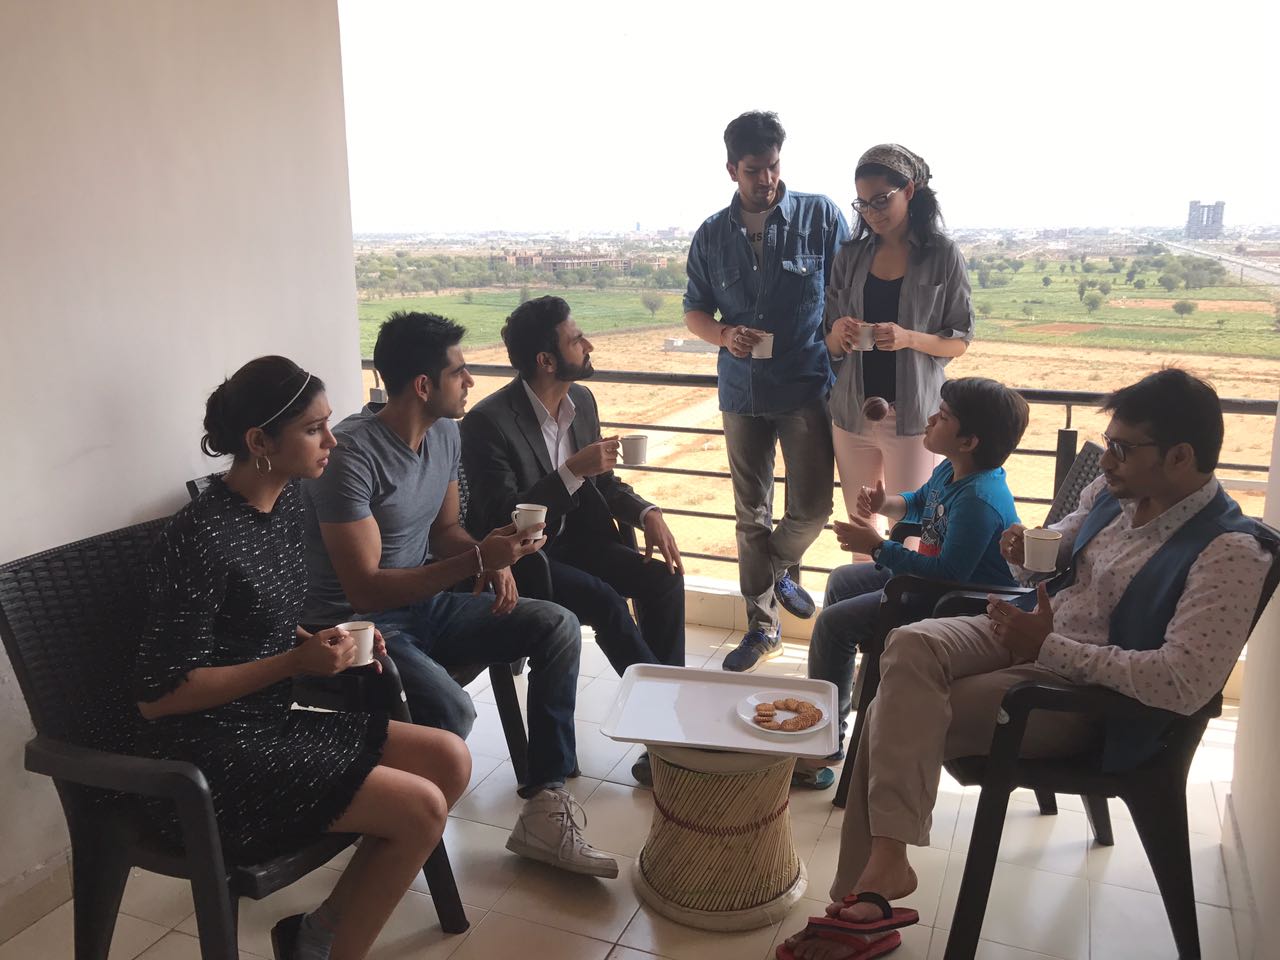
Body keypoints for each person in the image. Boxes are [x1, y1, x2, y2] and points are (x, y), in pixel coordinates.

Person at [779, 369, 1275, 959]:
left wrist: (1047, 647)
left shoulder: (1230, 551)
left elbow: (1181, 683)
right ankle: (885, 870)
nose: (1106, 461)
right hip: (1032, 632)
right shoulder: (1115, 497)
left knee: (894, 707)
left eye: (1121, 448)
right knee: (908, 646)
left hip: (1080, 694)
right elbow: (1059, 545)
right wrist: (1027, 551)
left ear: (1180, 456)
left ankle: (864, 902)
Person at [135, 356, 473, 960]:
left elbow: (253, 621)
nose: (332, 440)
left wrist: (323, 639)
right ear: (260, 441)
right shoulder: (199, 538)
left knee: (448, 757)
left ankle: (316, 936)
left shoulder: (289, 504)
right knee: (421, 807)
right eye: (314, 429)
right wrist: (293, 665)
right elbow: (161, 697)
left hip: (268, 721)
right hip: (209, 752)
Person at [302, 312, 618, 878]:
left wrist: (491, 555)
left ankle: (545, 807)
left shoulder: (443, 433)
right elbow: (365, 587)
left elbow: (446, 531)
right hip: (357, 627)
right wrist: (475, 561)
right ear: (423, 385)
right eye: (459, 371)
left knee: (557, 624)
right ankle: (386, 817)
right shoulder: (352, 455)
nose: (471, 380)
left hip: (424, 603)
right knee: (452, 708)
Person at [460, 296, 685, 785]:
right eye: (575, 338)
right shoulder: (488, 423)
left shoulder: (581, 402)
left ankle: (667, 726)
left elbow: (601, 482)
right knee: (605, 601)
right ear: (546, 360)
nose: (588, 345)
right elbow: (503, 517)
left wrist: (647, 511)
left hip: (583, 542)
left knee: (664, 580)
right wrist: (570, 472)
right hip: (530, 558)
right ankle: (670, 732)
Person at [794, 378, 1028, 790]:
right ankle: (836, 709)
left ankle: (822, 747)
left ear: (969, 440)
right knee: (843, 580)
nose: (931, 418)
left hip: (954, 605)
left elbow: (950, 573)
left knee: (833, 624)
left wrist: (879, 547)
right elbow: (920, 502)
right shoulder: (952, 470)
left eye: (944, 416)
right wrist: (886, 504)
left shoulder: (978, 500)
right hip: (930, 584)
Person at [683, 109, 850, 672]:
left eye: (774, 166)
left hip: (805, 386)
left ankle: (775, 573)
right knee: (749, 514)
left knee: (813, 506)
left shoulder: (821, 217)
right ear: (732, 169)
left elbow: (849, 287)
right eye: (755, 169)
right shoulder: (710, 234)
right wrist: (724, 333)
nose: (767, 179)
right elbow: (694, 310)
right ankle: (763, 628)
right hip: (741, 392)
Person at [824, 144, 974, 526]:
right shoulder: (850, 255)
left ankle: (899, 590)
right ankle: (861, 589)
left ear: (908, 191)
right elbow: (826, 343)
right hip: (850, 413)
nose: (872, 213)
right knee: (860, 527)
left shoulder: (942, 254)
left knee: (909, 529)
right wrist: (838, 335)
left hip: (914, 416)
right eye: (862, 204)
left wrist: (909, 338)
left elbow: (959, 341)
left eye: (880, 200)